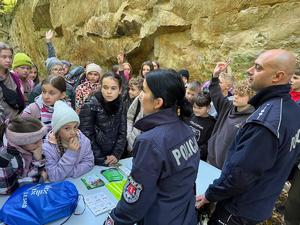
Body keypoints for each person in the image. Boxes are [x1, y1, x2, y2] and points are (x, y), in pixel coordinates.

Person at [196, 49, 300, 225]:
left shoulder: (266, 122)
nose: (249, 70)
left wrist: (209, 195)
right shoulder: (292, 110)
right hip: (259, 202)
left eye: (258, 68)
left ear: (278, 76)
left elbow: (240, 174)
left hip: (237, 208)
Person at [104, 69, 199, 225]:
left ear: (158, 102)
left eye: (144, 90)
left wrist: (112, 221)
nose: (141, 95)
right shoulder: (186, 129)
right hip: (184, 214)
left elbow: (134, 199)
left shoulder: (150, 142)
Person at [207, 66, 255, 169]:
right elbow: (215, 93)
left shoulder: (252, 119)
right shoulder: (227, 106)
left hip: (227, 168)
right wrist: (215, 76)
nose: (236, 96)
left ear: (251, 98)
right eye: (236, 92)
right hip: (211, 159)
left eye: (241, 94)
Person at [79, 72, 126, 166]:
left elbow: (122, 130)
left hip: (113, 155)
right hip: (94, 157)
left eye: (113, 88)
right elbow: (86, 135)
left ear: (120, 90)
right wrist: (101, 159)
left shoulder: (121, 103)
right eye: (105, 87)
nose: (109, 91)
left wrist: (116, 154)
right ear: (100, 87)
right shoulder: (90, 104)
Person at [43, 101, 94, 181]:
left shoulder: (84, 141)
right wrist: (71, 153)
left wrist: (67, 172)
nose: (73, 132)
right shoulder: (48, 147)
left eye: (75, 127)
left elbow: (89, 163)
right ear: (57, 130)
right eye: (67, 128)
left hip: (78, 181)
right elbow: (53, 176)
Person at [0, 117, 48, 194]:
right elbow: (6, 188)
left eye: (41, 139)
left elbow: (39, 171)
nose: (41, 144)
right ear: (21, 142)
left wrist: (38, 159)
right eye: (36, 142)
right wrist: (39, 179)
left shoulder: (32, 147)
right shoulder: (5, 158)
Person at [0, 42, 25, 119]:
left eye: (10, 57)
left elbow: (20, 99)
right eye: (4, 57)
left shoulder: (14, 77)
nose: (8, 60)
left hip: (17, 120)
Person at [189, 92, 215, 161]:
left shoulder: (212, 123)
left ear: (208, 107)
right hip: (186, 151)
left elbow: (209, 142)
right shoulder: (192, 115)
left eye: (199, 108)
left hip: (198, 157)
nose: (196, 110)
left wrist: (198, 153)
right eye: (194, 107)